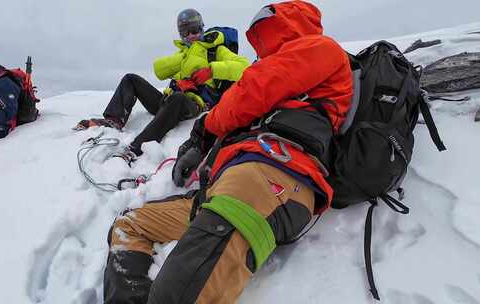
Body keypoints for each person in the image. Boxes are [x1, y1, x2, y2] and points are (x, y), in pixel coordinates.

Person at [102, 1, 353, 303]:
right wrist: (201, 145)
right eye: (187, 30)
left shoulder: (319, 49)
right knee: (130, 225)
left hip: (272, 176)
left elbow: (251, 90)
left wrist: (203, 129)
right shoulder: (275, 68)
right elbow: (238, 92)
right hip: (231, 182)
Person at [75, 8, 249, 166]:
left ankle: (136, 147)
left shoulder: (215, 51)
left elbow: (244, 67)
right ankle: (114, 119)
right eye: (185, 33)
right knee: (131, 79)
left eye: (194, 30)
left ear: (202, 28)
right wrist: (184, 59)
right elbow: (159, 70)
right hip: (166, 102)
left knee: (178, 98)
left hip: (193, 103)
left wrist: (212, 70)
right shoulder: (183, 53)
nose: (190, 36)